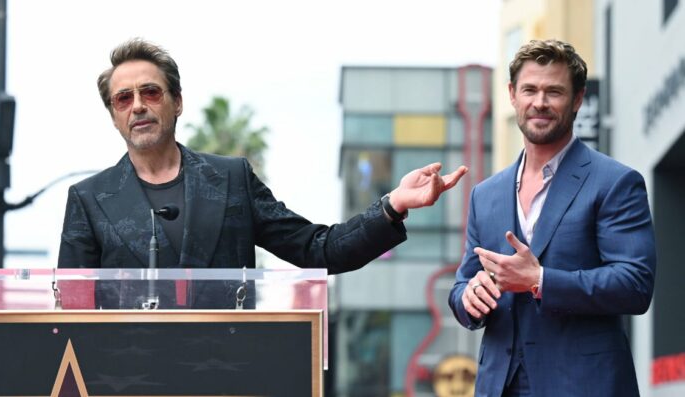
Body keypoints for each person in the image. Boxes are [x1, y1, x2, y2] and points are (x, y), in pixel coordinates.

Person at [57, 38, 467, 306]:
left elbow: (318, 249)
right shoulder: (90, 200)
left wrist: (392, 206)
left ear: (177, 102)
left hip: (229, 376)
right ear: (113, 116)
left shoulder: (231, 179)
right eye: (123, 99)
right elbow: (71, 313)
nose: (138, 106)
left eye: (150, 92)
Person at [448, 39, 656, 396]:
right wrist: (469, 296)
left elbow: (634, 284)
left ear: (577, 100)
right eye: (529, 89)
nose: (539, 102)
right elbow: (462, 284)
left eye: (554, 91)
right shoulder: (486, 195)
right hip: (498, 385)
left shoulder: (615, 182)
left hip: (583, 385)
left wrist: (540, 279)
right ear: (512, 95)